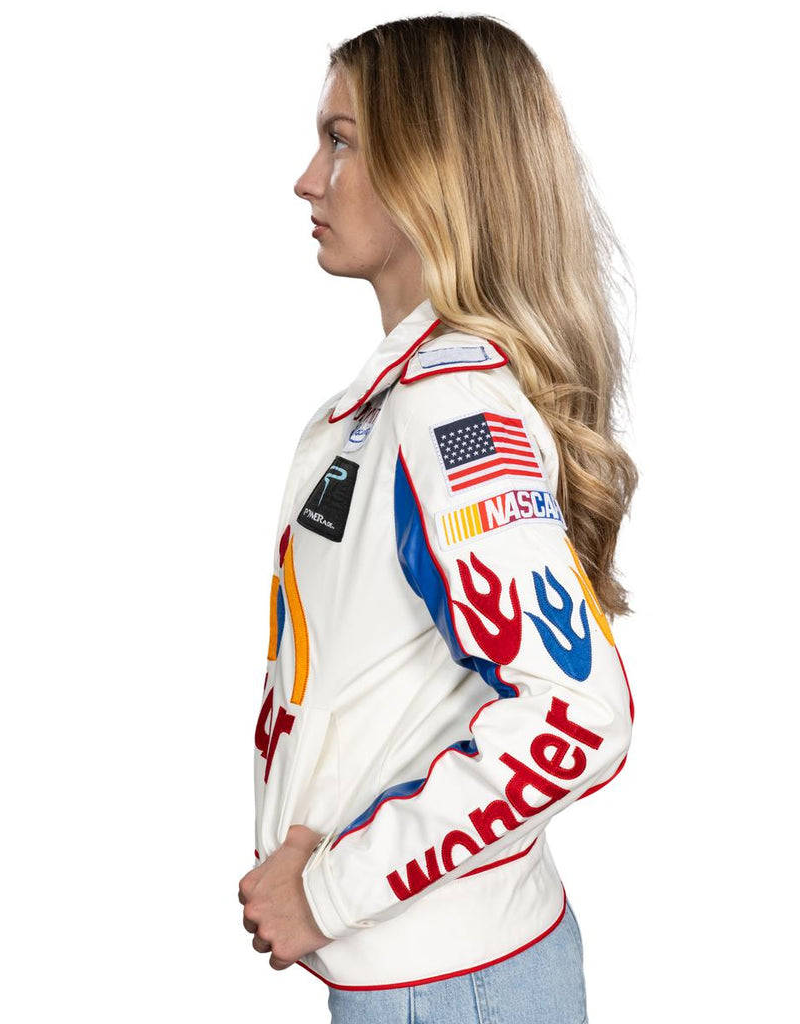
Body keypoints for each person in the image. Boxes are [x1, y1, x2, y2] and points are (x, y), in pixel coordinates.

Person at [238, 14, 637, 1023]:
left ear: (432, 172)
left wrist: (329, 891)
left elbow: (575, 711)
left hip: (453, 985)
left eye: (340, 141)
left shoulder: (447, 407)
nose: (307, 179)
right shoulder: (393, 401)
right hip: (434, 975)